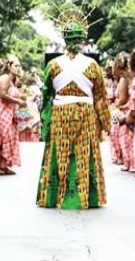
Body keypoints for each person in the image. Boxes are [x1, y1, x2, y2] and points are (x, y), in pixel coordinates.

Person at [36, 16, 110, 209]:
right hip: (85, 112)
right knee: (83, 153)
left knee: (59, 153)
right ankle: (85, 197)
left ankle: (55, 197)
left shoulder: (52, 65)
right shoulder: (93, 66)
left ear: (65, 39)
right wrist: (104, 122)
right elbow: (101, 96)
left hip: (60, 112)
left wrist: (45, 118)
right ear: (82, 38)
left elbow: (46, 94)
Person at [0, 55, 25, 176]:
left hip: (9, 113)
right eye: (16, 65)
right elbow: (2, 94)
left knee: (8, 139)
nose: (18, 68)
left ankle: (4, 165)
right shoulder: (5, 78)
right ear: (9, 66)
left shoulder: (13, 80)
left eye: (19, 65)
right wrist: (17, 101)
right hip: (1, 112)